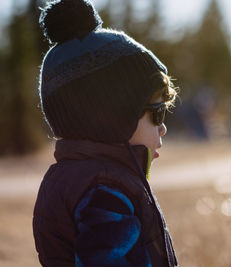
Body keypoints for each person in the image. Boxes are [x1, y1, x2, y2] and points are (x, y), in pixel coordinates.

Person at [32, 0, 178, 266]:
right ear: (114, 116)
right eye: (157, 113)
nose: (163, 127)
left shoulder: (74, 178)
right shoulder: (105, 192)